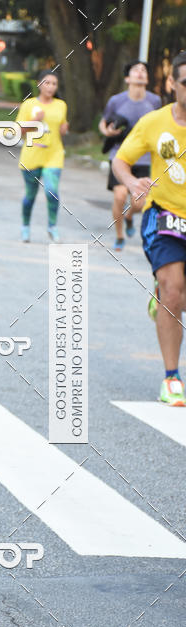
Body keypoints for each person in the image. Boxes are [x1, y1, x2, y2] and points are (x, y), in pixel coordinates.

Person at [113, 50, 186, 406]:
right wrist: (130, 181)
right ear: (172, 84)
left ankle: (165, 296)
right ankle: (172, 378)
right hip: (165, 215)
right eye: (185, 81)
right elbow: (121, 160)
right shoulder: (155, 122)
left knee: (178, 296)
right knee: (173, 291)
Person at [99, 61, 161, 251]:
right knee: (119, 196)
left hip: (143, 158)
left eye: (144, 70)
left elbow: (159, 126)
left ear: (147, 78)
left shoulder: (155, 101)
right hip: (119, 154)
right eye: (136, 70)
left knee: (140, 202)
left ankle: (128, 216)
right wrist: (108, 132)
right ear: (127, 78)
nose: (140, 73)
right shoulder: (116, 101)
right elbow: (103, 123)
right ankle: (119, 235)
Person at [16, 69, 69, 243]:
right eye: (47, 83)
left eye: (54, 84)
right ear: (39, 84)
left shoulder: (61, 105)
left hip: (53, 154)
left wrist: (63, 130)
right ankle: (25, 226)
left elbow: (61, 128)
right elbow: (19, 131)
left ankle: (52, 226)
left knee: (51, 191)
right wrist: (35, 121)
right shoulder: (29, 105)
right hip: (32, 155)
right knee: (30, 195)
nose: (51, 87)